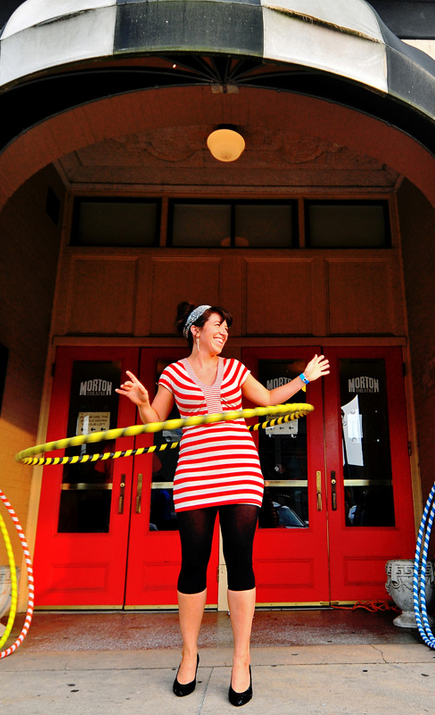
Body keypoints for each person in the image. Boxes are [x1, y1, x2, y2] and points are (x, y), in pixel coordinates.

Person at [116, 302, 329, 707]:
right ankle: (189, 654)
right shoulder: (173, 373)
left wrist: (304, 377)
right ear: (195, 329)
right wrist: (143, 401)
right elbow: (155, 423)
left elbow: (266, 401)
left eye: (227, 328)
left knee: (240, 562)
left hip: (241, 472)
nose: (224, 332)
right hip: (194, 476)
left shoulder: (234, 369)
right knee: (193, 563)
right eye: (217, 325)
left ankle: (241, 659)